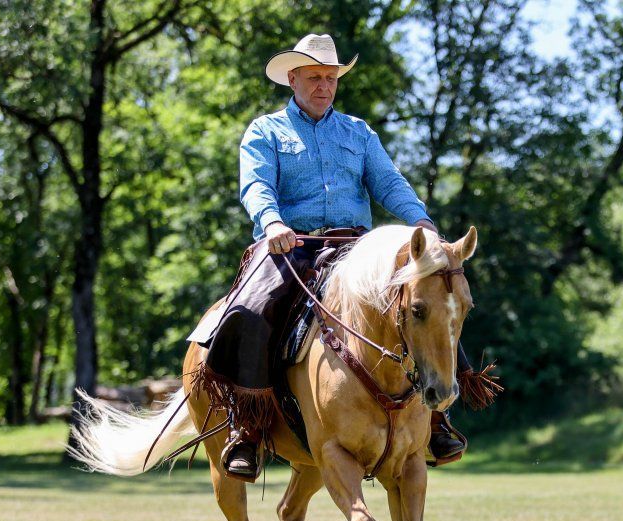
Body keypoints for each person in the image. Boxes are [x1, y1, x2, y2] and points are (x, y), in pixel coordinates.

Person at [187, 34, 494, 482]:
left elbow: (388, 182)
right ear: (293, 79)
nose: (324, 86)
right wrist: (272, 223)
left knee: (430, 298)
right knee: (249, 312)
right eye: (315, 77)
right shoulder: (265, 131)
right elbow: (256, 186)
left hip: (356, 250)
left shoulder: (358, 132)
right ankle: (247, 427)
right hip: (289, 246)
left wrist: (421, 221)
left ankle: (436, 416)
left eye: (330, 78)